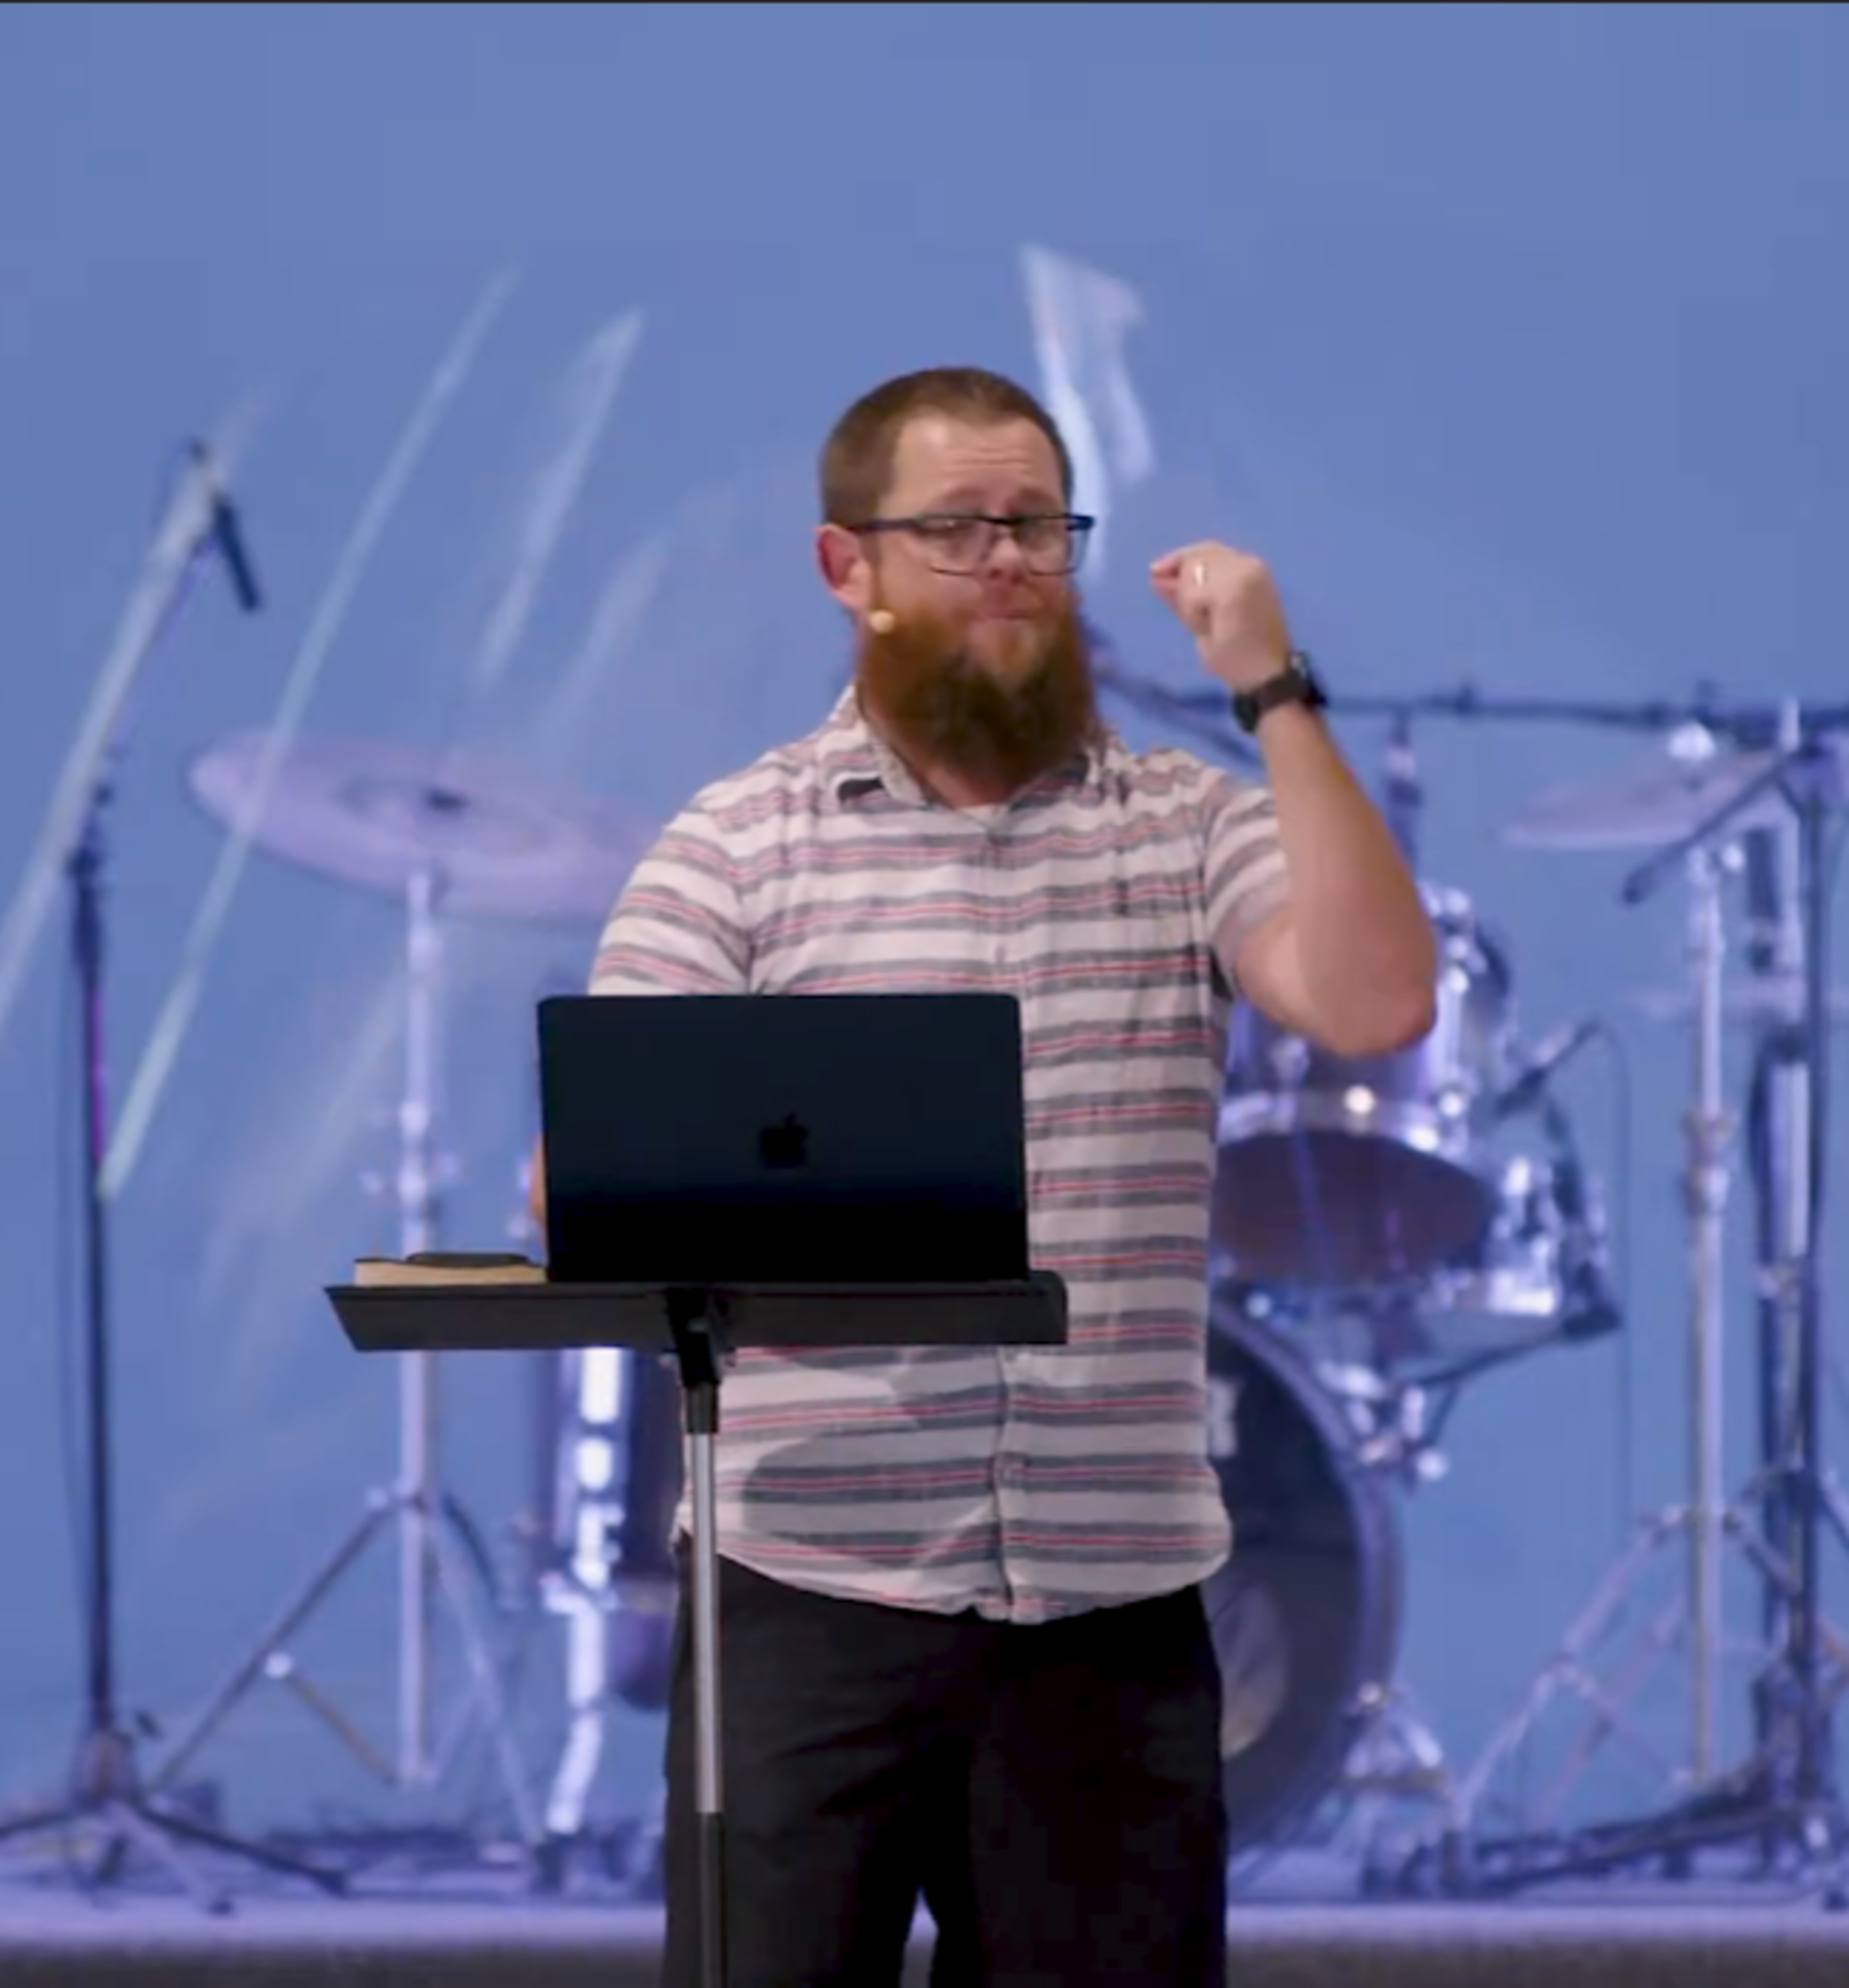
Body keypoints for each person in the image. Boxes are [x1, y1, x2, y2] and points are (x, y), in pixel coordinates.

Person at [528, 366, 1437, 1985]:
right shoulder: (736, 847)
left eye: (1038, 526)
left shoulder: (1184, 826)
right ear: (849, 568)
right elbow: (582, 1181)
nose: (1012, 560)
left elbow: (1376, 1003)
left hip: (1110, 1608)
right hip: (807, 1591)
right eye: (958, 529)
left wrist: (1274, 690)